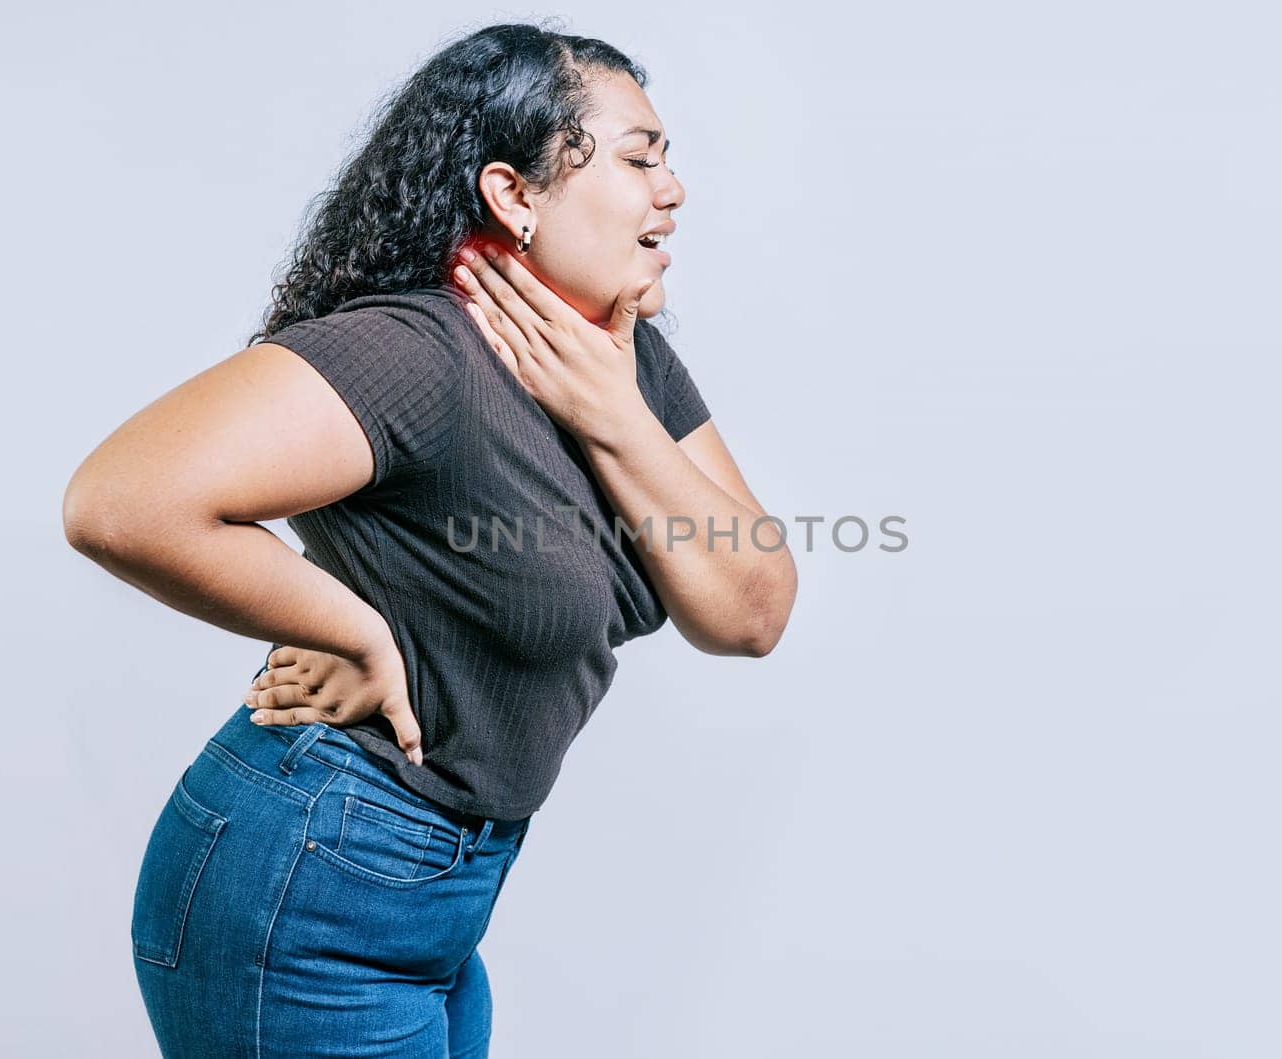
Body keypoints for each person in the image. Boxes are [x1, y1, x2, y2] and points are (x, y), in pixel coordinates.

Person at [63, 20, 796, 1058]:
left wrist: (616, 414)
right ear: (515, 194)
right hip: (309, 885)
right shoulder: (416, 352)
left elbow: (749, 612)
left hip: (438, 897)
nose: (671, 189)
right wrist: (358, 629)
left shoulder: (622, 360)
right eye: (639, 157)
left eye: (667, 159)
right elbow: (122, 502)